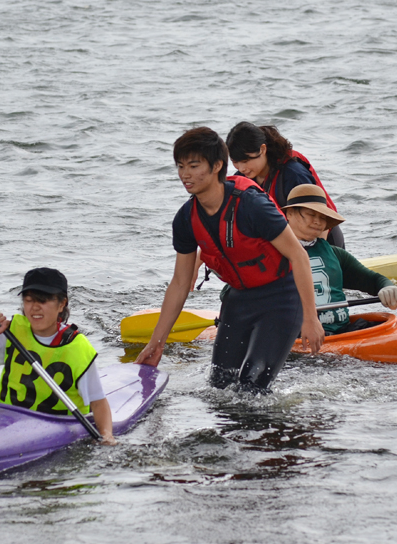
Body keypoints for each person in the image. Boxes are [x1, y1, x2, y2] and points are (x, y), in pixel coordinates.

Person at [134, 127, 325, 392]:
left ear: (217, 166)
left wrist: (310, 318)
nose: (185, 174)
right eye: (180, 166)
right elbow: (179, 284)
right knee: (219, 387)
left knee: (251, 387)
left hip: (281, 297)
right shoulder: (186, 219)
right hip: (239, 299)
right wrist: (157, 343)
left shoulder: (251, 205)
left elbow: (298, 255)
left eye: (193, 165)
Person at [0, 267, 116, 444]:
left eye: (43, 301)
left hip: (54, 426)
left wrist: (107, 436)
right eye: (28, 300)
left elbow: (98, 403)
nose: (34, 307)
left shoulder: (79, 348)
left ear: (61, 304)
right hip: (3, 420)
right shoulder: (11, 333)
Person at [283, 184, 397, 334]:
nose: (318, 221)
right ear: (290, 214)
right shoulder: (271, 254)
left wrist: (387, 287)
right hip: (298, 336)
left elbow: (373, 280)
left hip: (341, 331)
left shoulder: (336, 254)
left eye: (322, 217)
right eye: (311, 214)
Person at [226, 121, 346, 249]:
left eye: (246, 160)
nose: (242, 168)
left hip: (324, 241)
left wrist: (319, 256)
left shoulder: (293, 174)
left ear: (262, 149)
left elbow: (319, 218)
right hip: (286, 243)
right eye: (235, 162)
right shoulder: (242, 178)